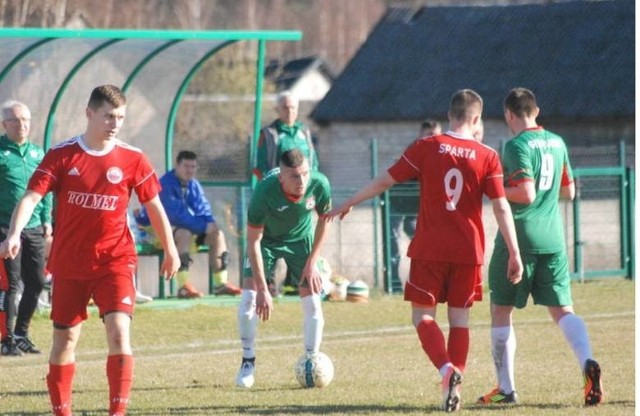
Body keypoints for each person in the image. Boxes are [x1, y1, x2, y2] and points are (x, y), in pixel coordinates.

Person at [327, 89, 522, 412]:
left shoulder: (425, 147)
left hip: (429, 248)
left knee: (422, 317)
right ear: (476, 119)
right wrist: (514, 252)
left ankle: (446, 371)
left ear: (449, 115)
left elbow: (383, 181)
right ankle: (454, 377)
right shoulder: (488, 155)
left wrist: (349, 202)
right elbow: (501, 207)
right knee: (459, 320)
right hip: (467, 251)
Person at [0, 85, 180, 416]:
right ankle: (62, 411)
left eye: (121, 117)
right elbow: (31, 197)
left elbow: (154, 206)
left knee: (118, 332)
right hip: (70, 264)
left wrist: (170, 248)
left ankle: (117, 412)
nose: (115, 124)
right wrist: (14, 233)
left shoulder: (133, 158)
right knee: (65, 342)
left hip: (116, 260)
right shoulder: (62, 155)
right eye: (109, 116)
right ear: (89, 113)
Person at [478, 88, 603, 407]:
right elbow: (569, 191)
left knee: (500, 310)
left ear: (509, 114)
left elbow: (526, 193)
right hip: (553, 240)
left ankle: (506, 390)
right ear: (537, 111)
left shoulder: (517, 145)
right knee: (563, 310)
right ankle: (587, 362)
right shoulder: (557, 142)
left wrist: (494, 188)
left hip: (519, 239)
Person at [235, 149, 332, 389]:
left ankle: (312, 360)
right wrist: (262, 288)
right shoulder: (264, 191)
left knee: (313, 301)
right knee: (249, 299)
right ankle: (248, 361)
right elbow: (254, 241)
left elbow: (324, 220)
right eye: (294, 177)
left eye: (305, 175)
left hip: (301, 240)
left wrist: (313, 262)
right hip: (265, 241)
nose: (301, 182)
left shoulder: (319, 184)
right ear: (281, 177)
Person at [135, 150, 241, 298]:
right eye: (186, 166)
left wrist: (210, 223)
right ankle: (183, 287)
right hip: (153, 233)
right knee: (184, 233)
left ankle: (220, 284)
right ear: (177, 166)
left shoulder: (193, 184)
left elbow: (203, 208)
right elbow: (175, 216)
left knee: (217, 235)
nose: (190, 170)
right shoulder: (165, 184)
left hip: (180, 231)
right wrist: (204, 226)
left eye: (193, 167)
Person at [0, 100, 53, 356]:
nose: (21, 125)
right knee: (10, 284)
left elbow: (45, 190)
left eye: (25, 120)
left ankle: (21, 333)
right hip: (5, 228)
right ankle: (6, 339)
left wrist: (46, 219)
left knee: (37, 282)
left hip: (33, 228)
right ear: (4, 124)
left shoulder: (37, 153)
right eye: (15, 120)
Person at [387, 119, 442, 291]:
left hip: (416, 206)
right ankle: (395, 284)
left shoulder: (441, 154)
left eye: (436, 135)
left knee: (424, 241)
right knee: (393, 241)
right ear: (421, 134)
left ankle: (427, 281)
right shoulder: (414, 150)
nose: (433, 138)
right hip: (397, 201)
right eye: (429, 135)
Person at [253, 91, 319, 180]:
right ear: (277, 109)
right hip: (278, 188)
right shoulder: (268, 134)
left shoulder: (304, 132)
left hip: (303, 187)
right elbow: (259, 166)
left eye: (293, 108)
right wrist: (269, 184)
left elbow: (313, 162)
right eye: (285, 108)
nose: (289, 111)